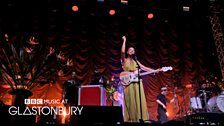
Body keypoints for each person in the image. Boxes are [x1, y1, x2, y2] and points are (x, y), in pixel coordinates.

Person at [120, 36, 161, 123]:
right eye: (130, 50)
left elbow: (144, 68)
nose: (131, 51)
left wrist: (156, 70)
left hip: (137, 83)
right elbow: (122, 52)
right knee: (131, 100)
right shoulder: (124, 60)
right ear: (128, 52)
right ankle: (132, 119)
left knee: (139, 100)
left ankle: (141, 118)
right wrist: (125, 40)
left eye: (133, 50)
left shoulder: (136, 61)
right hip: (129, 83)